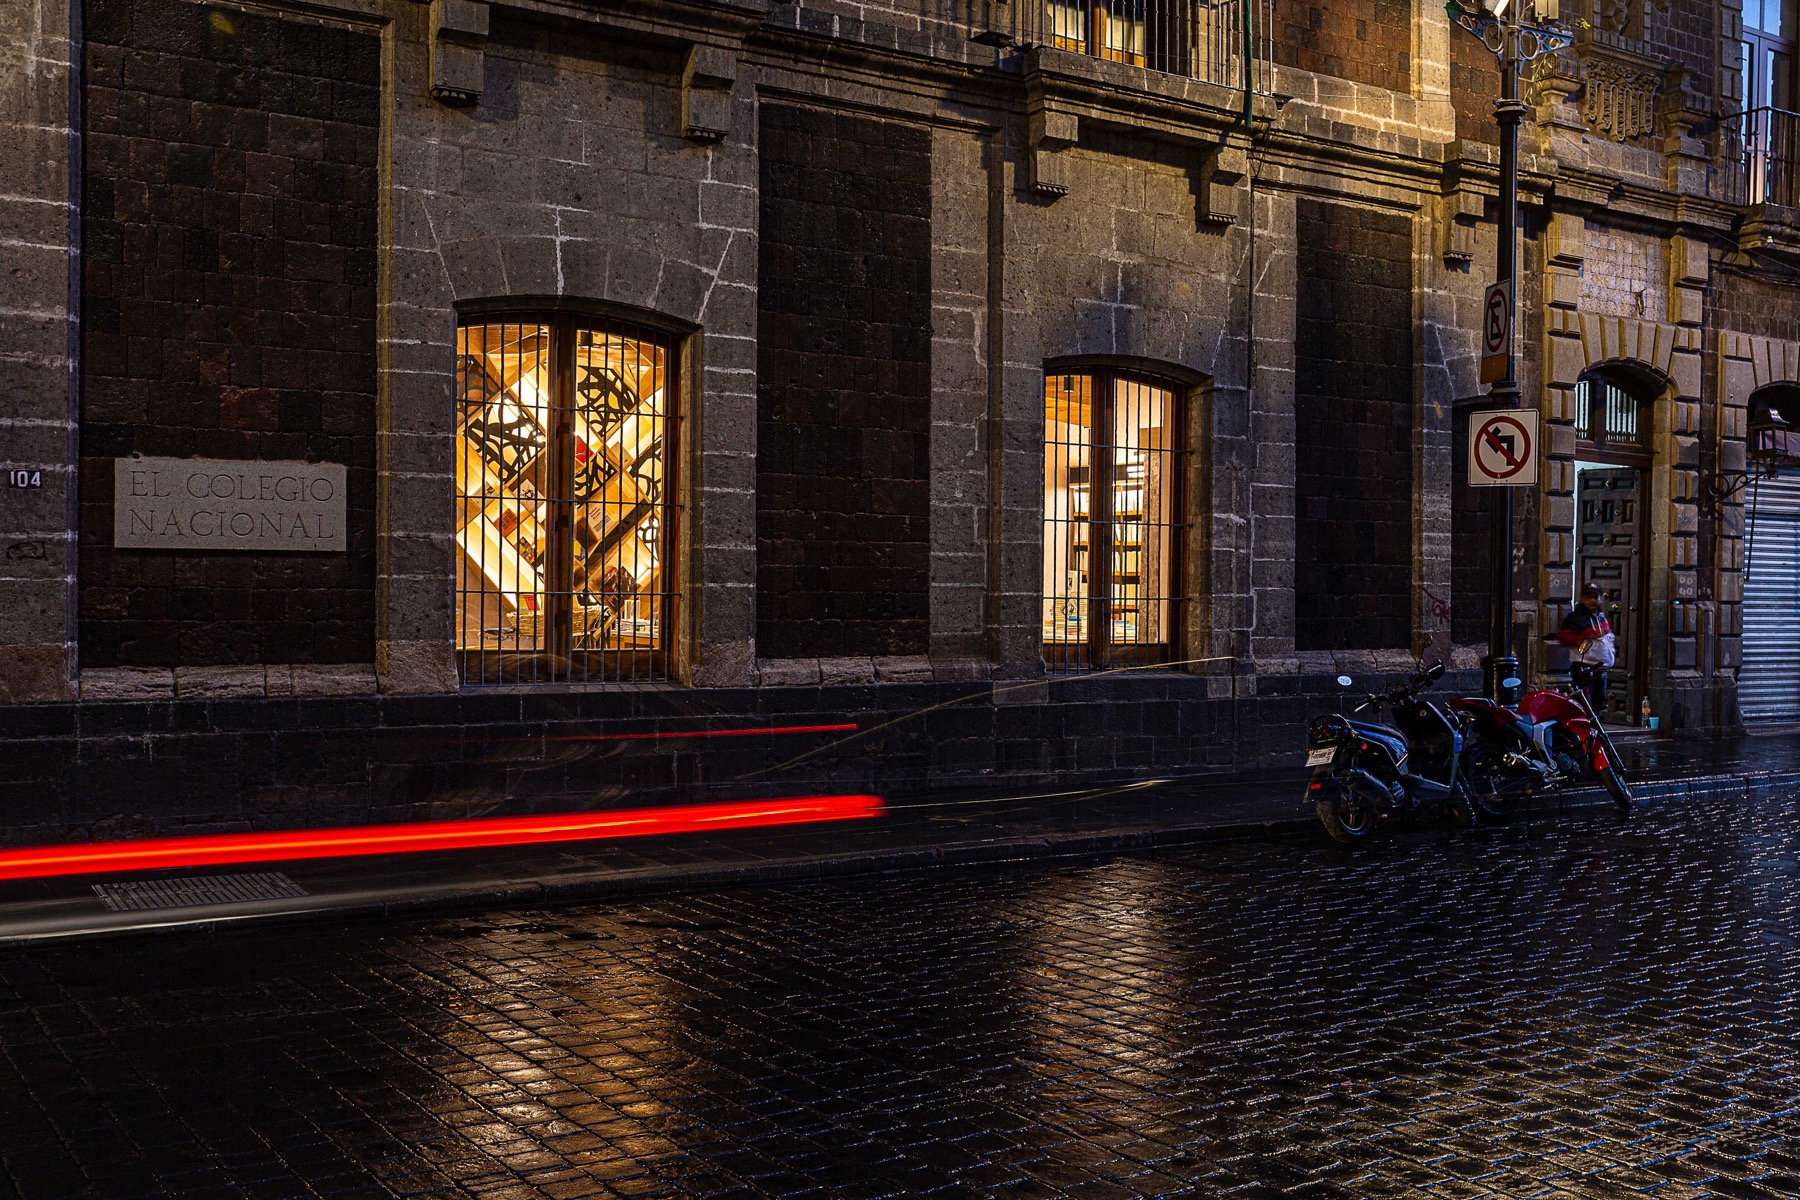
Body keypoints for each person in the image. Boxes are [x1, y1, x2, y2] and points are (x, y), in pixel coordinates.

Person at [1558, 583, 1615, 710]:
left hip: (1601, 670)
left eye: (1595, 597)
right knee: (1584, 707)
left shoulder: (1601, 617)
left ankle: (1595, 730)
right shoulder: (1575, 618)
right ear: (1582, 598)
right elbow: (1564, 638)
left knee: (1597, 707)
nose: (1592, 601)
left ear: (1600, 598)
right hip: (1584, 670)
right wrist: (1585, 637)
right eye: (1588, 597)